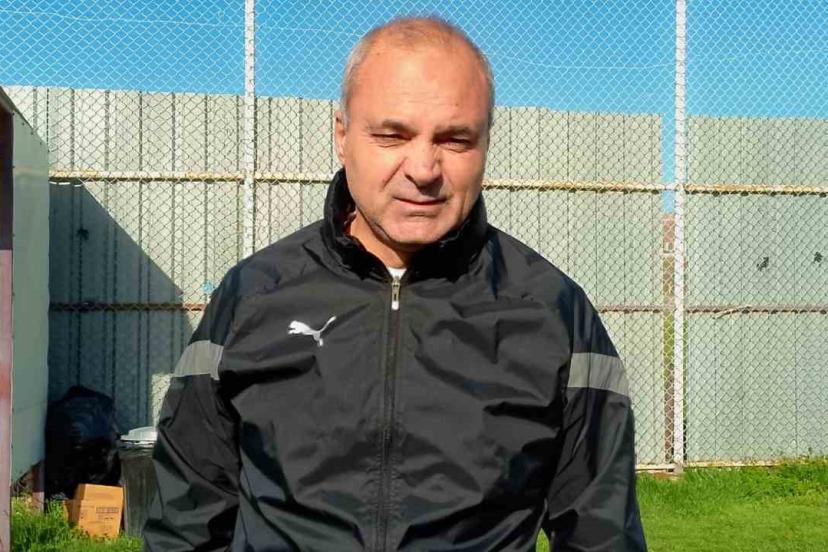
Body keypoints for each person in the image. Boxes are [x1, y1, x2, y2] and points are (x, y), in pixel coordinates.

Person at [144, 16, 647, 552]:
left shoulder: (551, 312)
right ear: (342, 135)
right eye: (392, 135)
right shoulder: (253, 296)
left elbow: (601, 535)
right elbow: (188, 520)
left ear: (486, 143)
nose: (424, 169)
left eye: (455, 139)